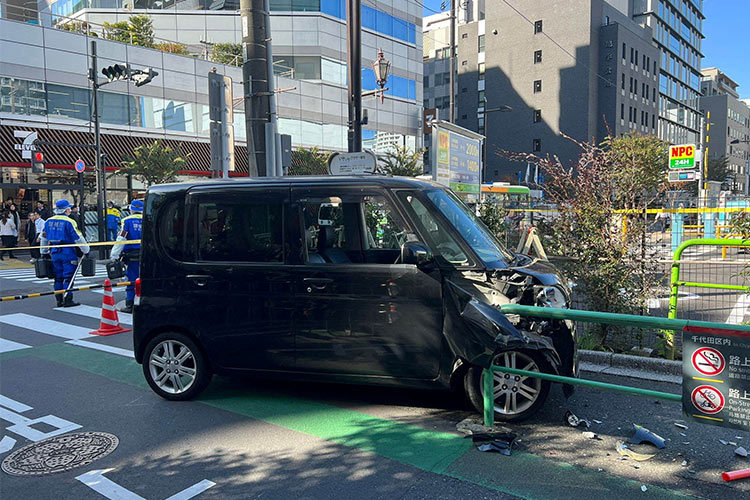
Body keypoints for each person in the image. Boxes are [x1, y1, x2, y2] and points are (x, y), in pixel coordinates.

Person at [40, 199, 90, 307]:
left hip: (54, 251)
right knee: (68, 276)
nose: (70, 210)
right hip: (68, 251)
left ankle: (58, 300)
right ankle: (68, 300)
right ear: (66, 210)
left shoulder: (48, 221)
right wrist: (86, 251)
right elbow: (78, 238)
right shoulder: (69, 221)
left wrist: (43, 252)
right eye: (69, 209)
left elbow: (43, 237)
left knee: (58, 277)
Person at [111, 199, 142, 313]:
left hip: (132, 255)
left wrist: (114, 255)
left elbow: (121, 238)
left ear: (131, 209)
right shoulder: (149, 219)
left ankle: (130, 304)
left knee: (131, 280)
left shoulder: (127, 221)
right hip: (146, 255)